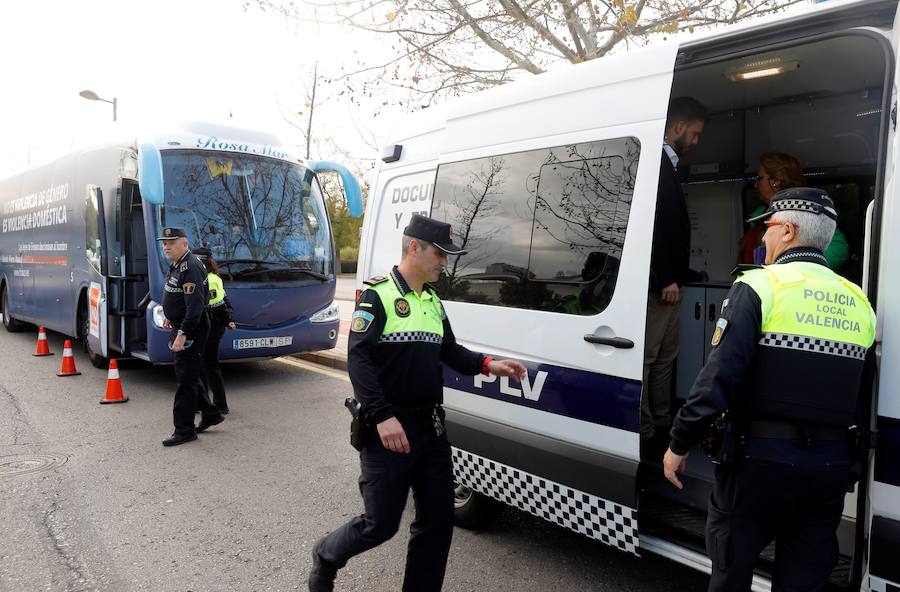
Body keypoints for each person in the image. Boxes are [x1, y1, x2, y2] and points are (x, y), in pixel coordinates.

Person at [662, 187, 876, 591]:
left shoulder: (761, 286)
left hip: (757, 464)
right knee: (804, 578)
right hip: (828, 468)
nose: (763, 238)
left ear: (789, 230)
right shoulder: (857, 300)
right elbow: (861, 395)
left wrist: (679, 443)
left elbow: (718, 379)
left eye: (768, 228)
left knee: (731, 572)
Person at [309, 214, 527, 592]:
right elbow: (359, 361)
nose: (445, 262)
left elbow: (450, 351)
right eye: (440, 254)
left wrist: (491, 365)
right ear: (415, 247)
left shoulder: (432, 301)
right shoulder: (378, 297)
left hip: (431, 428)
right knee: (381, 525)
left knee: (438, 522)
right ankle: (326, 555)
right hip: (389, 432)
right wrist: (382, 417)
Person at [643, 96, 708, 446]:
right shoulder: (654, 163)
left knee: (667, 357)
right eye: (695, 133)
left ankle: (664, 421)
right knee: (649, 357)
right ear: (679, 128)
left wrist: (684, 274)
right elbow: (651, 227)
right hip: (660, 285)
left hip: (673, 282)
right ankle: (644, 428)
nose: (696, 141)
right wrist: (666, 276)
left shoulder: (669, 165)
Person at [157, 227, 226, 447]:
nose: (166, 246)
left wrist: (182, 333)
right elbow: (176, 294)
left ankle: (184, 430)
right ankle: (210, 413)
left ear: (184, 244)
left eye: (171, 242)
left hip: (192, 329)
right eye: (164, 242)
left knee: (185, 381)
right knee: (189, 375)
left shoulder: (191, 267)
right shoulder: (177, 264)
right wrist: (169, 315)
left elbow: (195, 307)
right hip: (180, 325)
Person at [740, 151, 849, 269]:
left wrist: (790, 268)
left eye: (759, 178)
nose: (755, 185)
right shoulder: (758, 216)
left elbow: (839, 249)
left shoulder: (806, 211)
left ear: (775, 181)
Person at [193, 246, 236, 416]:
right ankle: (208, 403)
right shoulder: (213, 277)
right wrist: (229, 319)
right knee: (205, 364)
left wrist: (228, 320)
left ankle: (217, 404)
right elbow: (225, 300)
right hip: (213, 324)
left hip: (209, 325)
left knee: (207, 365)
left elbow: (218, 304)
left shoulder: (208, 279)